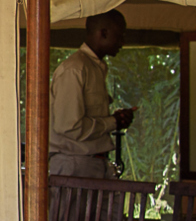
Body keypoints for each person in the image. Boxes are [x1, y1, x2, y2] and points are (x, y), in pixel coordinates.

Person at [49, 9, 135, 179]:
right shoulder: (75, 69)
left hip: (92, 162)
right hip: (75, 164)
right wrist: (112, 122)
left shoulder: (95, 67)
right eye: (120, 35)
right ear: (103, 33)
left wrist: (115, 121)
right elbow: (69, 127)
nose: (122, 42)